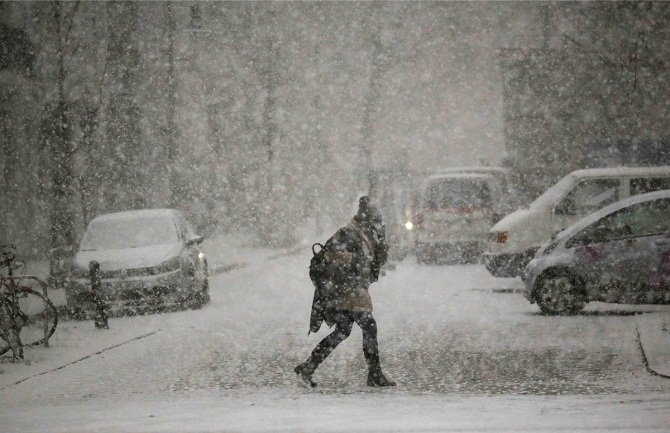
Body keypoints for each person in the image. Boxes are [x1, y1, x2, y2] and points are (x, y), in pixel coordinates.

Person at [295, 196, 396, 387]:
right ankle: (374, 374)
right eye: (375, 217)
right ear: (365, 216)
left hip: (353, 290)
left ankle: (309, 365)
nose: (377, 221)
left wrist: (381, 239)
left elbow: (379, 260)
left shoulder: (366, 234)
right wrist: (354, 265)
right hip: (347, 291)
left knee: (343, 331)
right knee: (369, 327)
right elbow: (333, 257)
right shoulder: (348, 233)